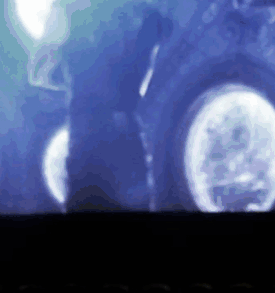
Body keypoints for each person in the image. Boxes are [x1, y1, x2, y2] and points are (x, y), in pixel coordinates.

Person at [33, 0, 173, 211]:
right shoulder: (144, 14)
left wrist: (77, 79)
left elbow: (38, 72)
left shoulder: (67, 9)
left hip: (87, 137)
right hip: (124, 135)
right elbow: (143, 81)